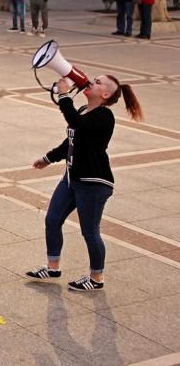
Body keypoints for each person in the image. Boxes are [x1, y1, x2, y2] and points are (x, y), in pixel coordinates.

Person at [26, 74, 143, 292]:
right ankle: (53, 267)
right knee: (52, 219)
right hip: (72, 178)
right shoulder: (81, 111)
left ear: (105, 95)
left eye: (98, 82)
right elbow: (70, 140)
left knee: (90, 231)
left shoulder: (104, 116)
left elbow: (77, 123)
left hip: (94, 183)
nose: (91, 82)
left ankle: (96, 278)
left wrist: (63, 95)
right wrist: (48, 158)